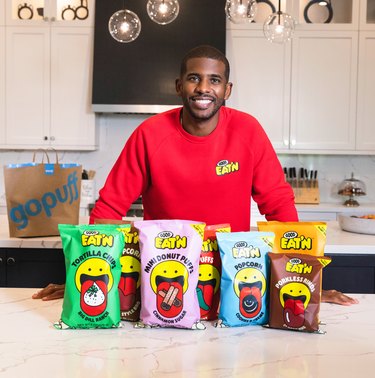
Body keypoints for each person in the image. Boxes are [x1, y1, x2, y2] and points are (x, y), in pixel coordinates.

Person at [32, 45, 358, 306]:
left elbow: (279, 208)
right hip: (162, 280)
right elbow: (107, 210)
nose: (204, 88)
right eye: (194, 78)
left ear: (227, 89)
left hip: (234, 280)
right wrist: (85, 277)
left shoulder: (248, 132)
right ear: (178, 86)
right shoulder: (149, 135)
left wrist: (303, 282)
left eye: (214, 80)